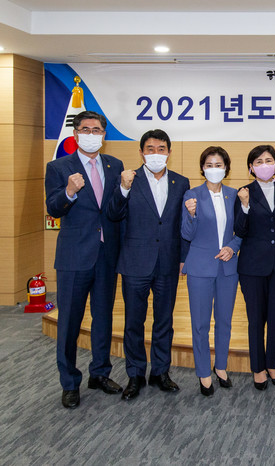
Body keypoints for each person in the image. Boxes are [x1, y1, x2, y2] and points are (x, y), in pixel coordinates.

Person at [45, 110, 124, 409]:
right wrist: (69, 191)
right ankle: (69, 382)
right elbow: (53, 208)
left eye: (97, 130)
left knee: (103, 318)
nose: (92, 134)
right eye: (86, 129)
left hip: (106, 255)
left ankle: (100, 373)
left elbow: (116, 208)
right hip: (74, 257)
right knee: (69, 322)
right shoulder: (58, 166)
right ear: (76, 134)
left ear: (104, 134)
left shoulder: (114, 165)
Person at [106, 129, 190, 401]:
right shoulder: (129, 179)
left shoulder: (181, 182)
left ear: (169, 152)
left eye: (161, 149)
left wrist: (183, 257)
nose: (156, 153)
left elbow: (182, 225)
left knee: (164, 321)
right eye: (150, 149)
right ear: (141, 152)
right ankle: (135, 374)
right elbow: (113, 214)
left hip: (168, 262)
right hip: (135, 263)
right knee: (134, 322)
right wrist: (123, 188)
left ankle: (161, 372)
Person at [234, 145, 275, 390]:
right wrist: (245, 206)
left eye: (269, 160)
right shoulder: (243, 193)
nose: (264, 165)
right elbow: (239, 230)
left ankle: (272, 364)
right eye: (259, 161)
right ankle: (258, 368)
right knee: (255, 319)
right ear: (251, 167)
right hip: (252, 267)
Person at [181, 146, 241, 397]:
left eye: (219, 165)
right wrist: (191, 214)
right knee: (200, 324)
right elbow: (186, 233)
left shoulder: (235, 195)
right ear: (202, 168)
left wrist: (233, 247)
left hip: (228, 268)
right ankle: (204, 372)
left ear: (226, 168)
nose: (214, 169)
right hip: (200, 268)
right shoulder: (192, 195)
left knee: (225, 321)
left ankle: (221, 366)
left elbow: (243, 230)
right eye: (209, 165)